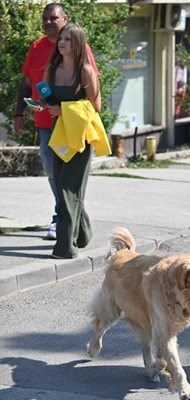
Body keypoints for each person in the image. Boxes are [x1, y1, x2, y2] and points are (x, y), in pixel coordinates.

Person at [13, 3, 98, 240]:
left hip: (74, 127)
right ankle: (70, 219)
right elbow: (27, 83)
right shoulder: (37, 47)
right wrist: (19, 113)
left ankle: (61, 220)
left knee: (69, 181)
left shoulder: (80, 47)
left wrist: (69, 110)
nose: (49, 22)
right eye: (46, 18)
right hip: (46, 124)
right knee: (53, 175)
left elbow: (93, 93)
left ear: (65, 19)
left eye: (54, 18)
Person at [44, 23, 103, 259]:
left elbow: (95, 107)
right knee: (64, 189)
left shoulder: (86, 71)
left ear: (77, 43)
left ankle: (65, 248)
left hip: (80, 138)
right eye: (61, 38)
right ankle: (83, 233)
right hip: (59, 136)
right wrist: (45, 106)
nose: (62, 42)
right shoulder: (53, 68)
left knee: (69, 190)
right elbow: (51, 100)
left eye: (68, 39)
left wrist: (63, 110)